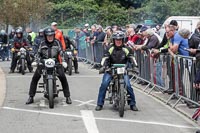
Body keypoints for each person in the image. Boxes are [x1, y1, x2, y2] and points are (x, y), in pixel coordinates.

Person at [26, 27, 72, 104]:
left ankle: (68, 96)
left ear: (54, 35)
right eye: (48, 36)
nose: (50, 37)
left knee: (63, 77)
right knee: (35, 77)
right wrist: (36, 61)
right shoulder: (42, 43)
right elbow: (38, 53)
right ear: (45, 36)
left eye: (51, 35)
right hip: (43, 62)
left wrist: (63, 61)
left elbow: (61, 52)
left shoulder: (57, 42)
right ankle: (31, 97)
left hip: (55, 62)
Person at [95, 30, 138, 111]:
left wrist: (135, 67)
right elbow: (105, 58)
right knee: (104, 84)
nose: (118, 41)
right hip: (111, 70)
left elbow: (132, 58)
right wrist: (103, 66)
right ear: (114, 40)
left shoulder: (127, 49)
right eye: (116, 40)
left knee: (128, 85)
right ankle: (99, 103)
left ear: (123, 40)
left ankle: (132, 104)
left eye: (120, 40)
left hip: (123, 70)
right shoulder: (109, 48)